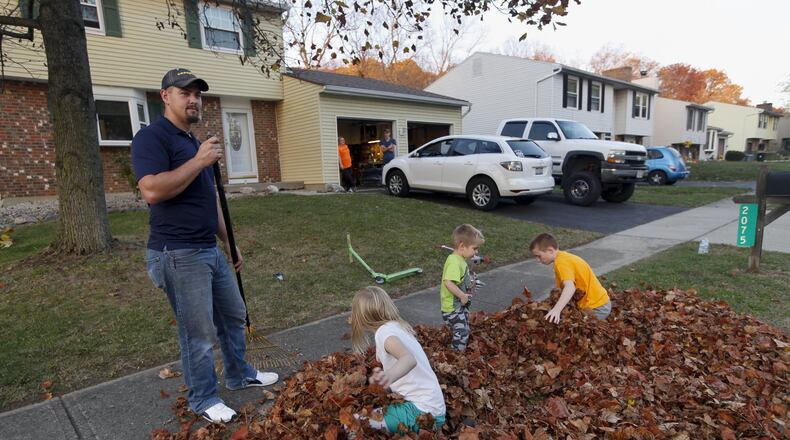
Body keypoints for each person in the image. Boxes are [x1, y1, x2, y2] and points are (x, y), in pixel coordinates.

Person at [131, 68, 278, 424]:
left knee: (233, 314)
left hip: (207, 248)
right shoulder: (153, 138)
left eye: (197, 93)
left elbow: (209, 198)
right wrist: (198, 161)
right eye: (185, 93)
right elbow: (151, 190)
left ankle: (239, 373)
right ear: (165, 96)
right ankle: (203, 398)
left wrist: (229, 242)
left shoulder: (194, 142)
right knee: (198, 334)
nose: (194, 99)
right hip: (177, 253)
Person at [350, 286, 446, 434]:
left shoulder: (384, 334)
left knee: (352, 423)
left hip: (421, 413)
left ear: (361, 318)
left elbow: (408, 359)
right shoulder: (396, 326)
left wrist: (387, 377)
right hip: (432, 409)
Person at [529, 232, 611, 323]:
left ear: (550, 250)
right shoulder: (563, 258)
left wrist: (556, 310)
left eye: (538, 256)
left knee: (576, 327)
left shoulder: (562, 263)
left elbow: (570, 287)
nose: (537, 260)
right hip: (597, 303)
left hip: (598, 307)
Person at [440, 224, 485, 351]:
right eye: (475, 248)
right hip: (452, 308)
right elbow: (448, 282)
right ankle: (456, 356)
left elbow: (459, 279)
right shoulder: (454, 262)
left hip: (459, 306)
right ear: (461, 246)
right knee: (462, 332)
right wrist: (462, 295)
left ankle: (455, 344)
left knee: (463, 327)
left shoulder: (459, 259)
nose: (476, 252)